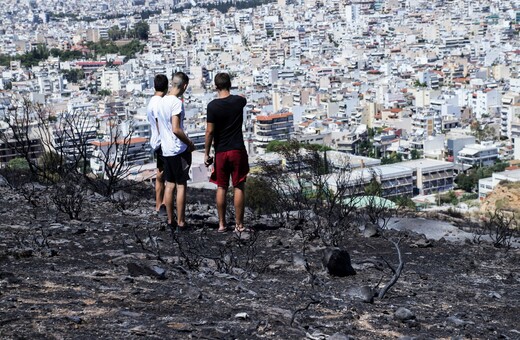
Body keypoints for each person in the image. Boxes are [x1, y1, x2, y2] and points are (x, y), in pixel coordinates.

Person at [204, 72, 250, 233]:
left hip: (221, 151)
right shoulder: (239, 101)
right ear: (230, 84)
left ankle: (222, 224)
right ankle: (239, 225)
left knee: (221, 187)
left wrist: (206, 153)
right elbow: (243, 97)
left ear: (216, 87)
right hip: (237, 149)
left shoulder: (212, 106)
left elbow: (209, 132)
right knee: (239, 185)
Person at [156, 71, 194, 231]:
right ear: (184, 86)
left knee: (169, 184)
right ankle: (181, 222)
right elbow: (176, 129)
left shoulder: (161, 101)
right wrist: (190, 144)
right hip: (178, 149)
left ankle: (170, 220)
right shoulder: (176, 103)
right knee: (181, 185)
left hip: (166, 149)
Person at [146, 74, 168, 215]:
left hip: (155, 141)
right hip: (162, 142)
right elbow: (160, 122)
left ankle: (158, 204)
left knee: (160, 174)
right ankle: (164, 205)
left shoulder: (151, 102)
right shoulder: (160, 103)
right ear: (166, 87)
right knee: (169, 175)